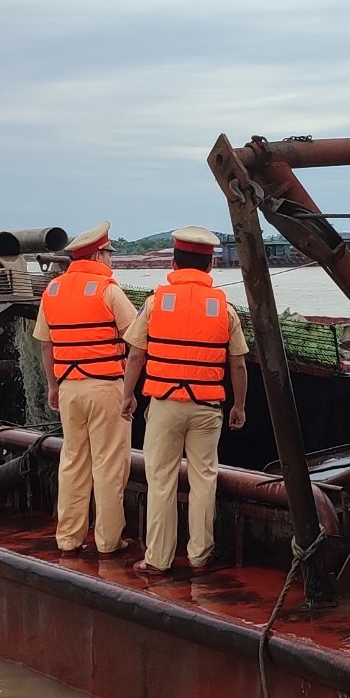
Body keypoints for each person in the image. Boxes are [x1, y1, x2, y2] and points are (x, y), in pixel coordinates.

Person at [122, 226, 246, 575]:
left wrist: (127, 394)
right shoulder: (225, 308)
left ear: (174, 263)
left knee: (160, 479)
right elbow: (237, 362)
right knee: (204, 478)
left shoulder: (155, 303)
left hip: (164, 404)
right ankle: (200, 555)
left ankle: (158, 560)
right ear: (210, 266)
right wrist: (239, 405)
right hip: (207, 408)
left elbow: (135, 356)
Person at [34, 221, 137, 556]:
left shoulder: (52, 291)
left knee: (73, 462)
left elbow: (45, 346)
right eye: (108, 253)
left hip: (69, 388)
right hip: (106, 386)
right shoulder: (108, 290)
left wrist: (52, 387)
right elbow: (136, 339)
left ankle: (68, 538)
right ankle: (108, 542)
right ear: (97, 253)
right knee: (109, 464)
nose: (111, 260)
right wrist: (132, 388)